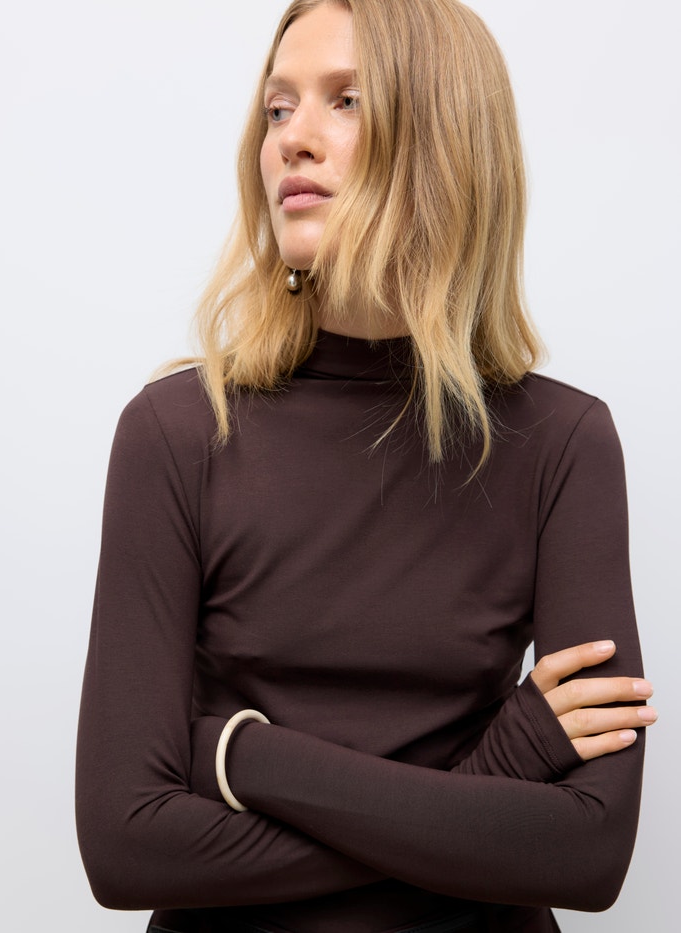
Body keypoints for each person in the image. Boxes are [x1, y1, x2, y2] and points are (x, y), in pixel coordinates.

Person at [75, 1, 656, 931]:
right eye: (278, 108)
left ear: (445, 140)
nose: (291, 140)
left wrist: (240, 756)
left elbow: (586, 852)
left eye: (345, 101)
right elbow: (125, 843)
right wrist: (495, 775)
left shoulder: (562, 442)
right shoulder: (177, 433)